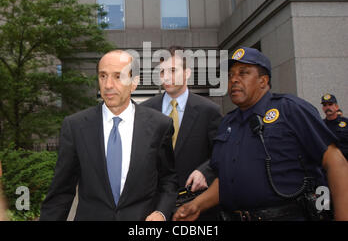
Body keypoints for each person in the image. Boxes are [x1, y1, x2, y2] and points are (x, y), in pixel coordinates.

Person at [173, 47, 348, 221]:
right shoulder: (228, 123)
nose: (234, 80)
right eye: (230, 75)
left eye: (243, 73)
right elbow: (226, 180)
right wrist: (197, 205)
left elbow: (335, 162)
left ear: (263, 81)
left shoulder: (290, 109)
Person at [40, 50, 178, 221]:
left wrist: (161, 213)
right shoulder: (76, 126)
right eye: (103, 76)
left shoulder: (159, 125)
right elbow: (61, 192)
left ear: (134, 82)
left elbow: (168, 180)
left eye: (118, 76)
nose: (108, 85)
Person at [141, 46, 222, 220]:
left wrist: (205, 171)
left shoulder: (209, 111)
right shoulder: (144, 110)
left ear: (187, 73)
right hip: (153, 209)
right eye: (162, 72)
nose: (166, 77)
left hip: (195, 207)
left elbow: (221, 152)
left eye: (172, 70)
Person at [321, 94, 348, 160]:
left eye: (330, 104)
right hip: (329, 164)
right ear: (323, 108)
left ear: (336, 107)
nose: (327, 107)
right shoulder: (320, 124)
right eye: (325, 105)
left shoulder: (346, 123)